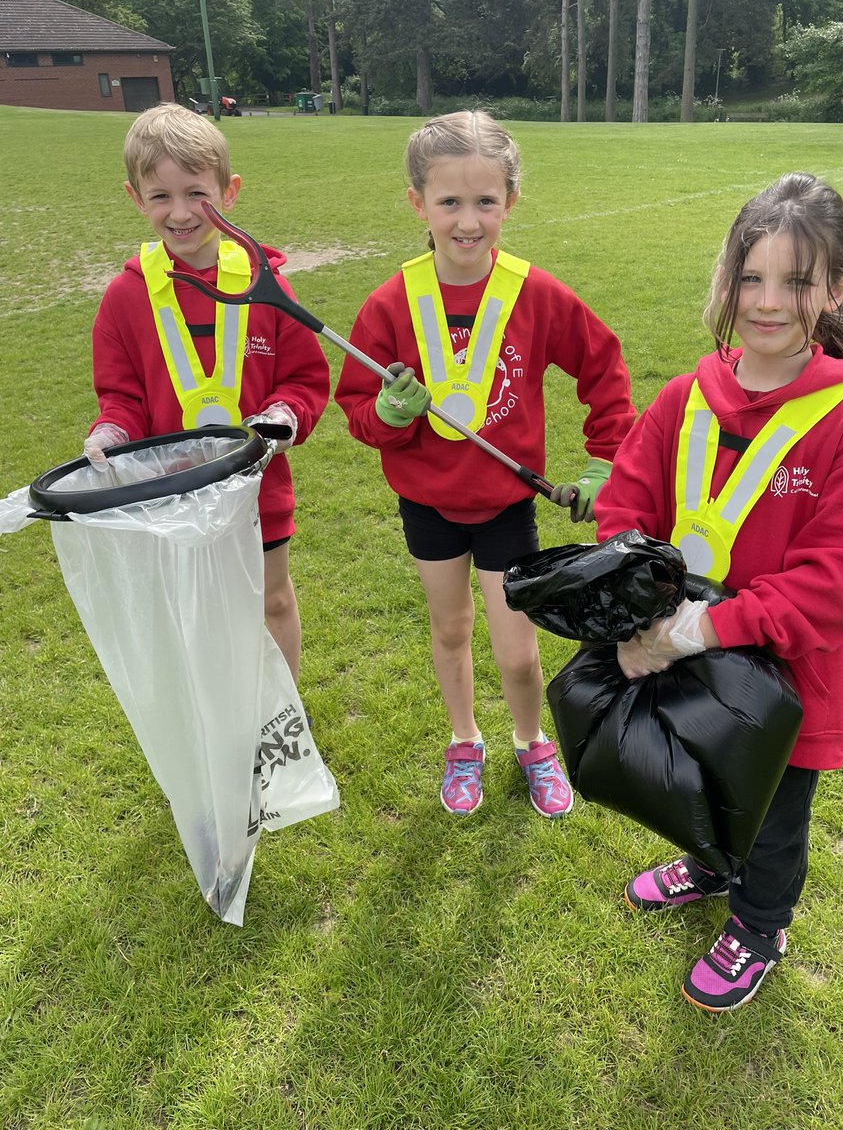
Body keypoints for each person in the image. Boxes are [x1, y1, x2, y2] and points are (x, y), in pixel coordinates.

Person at [594, 172, 843, 1011]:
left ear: (834, 288)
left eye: (796, 282)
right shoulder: (684, 399)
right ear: (726, 279)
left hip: (779, 688)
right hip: (675, 659)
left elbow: (840, 585)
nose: (767, 303)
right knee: (693, 780)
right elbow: (625, 503)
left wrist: (707, 625)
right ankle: (703, 864)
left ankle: (759, 925)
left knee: (770, 817)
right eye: (750, 277)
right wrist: (639, 600)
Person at [334, 110, 635, 819]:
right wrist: (389, 415)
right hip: (428, 505)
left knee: (519, 653)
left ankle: (532, 744)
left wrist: (604, 461)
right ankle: (464, 740)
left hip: (507, 505)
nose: (468, 221)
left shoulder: (534, 293)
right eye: (449, 202)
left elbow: (603, 365)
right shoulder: (389, 304)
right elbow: (355, 409)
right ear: (418, 204)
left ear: (510, 202)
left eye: (485, 202)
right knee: (449, 632)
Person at [84, 103, 329, 681]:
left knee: (271, 600)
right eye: (159, 196)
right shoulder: (125, 297)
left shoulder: (267, 285)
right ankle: (220, 711)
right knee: (196, 610)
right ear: (134, 198)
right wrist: (112, 429)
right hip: (171, 494)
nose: (181, 212)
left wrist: (283, 415)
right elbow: (120, 394)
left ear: (230, 190)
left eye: (197, 193)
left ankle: (280, 715)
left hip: (259, 489)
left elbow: (306, 379)